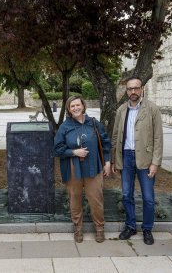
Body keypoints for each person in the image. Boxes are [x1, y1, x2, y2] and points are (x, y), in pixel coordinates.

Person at [111, 76, 163, 245]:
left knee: (148, 197)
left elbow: (158, 138)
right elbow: (116, 136)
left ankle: (147, 228)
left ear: (142, 89)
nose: (133, 91)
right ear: (126, 91)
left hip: (146, 158)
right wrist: (114, 160)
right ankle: (131, 226)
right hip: (126, 157)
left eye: (136, 88)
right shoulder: (121, 110)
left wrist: (155, 162)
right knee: (126, 194)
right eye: (130, 89)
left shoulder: (152, 109)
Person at [54, 96, 111, 243]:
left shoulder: (93, 123)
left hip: (94, 166)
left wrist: (108, 162)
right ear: (68, 109)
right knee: (75, 199)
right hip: (73, 168)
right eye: (72, 106)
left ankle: (99, 228)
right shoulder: (65, 126)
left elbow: (105, 143)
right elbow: (57, 149)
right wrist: (73, 152)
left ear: (83, 106)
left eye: (77, 105)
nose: (75, 108)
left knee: (96, 199)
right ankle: (78, 228)